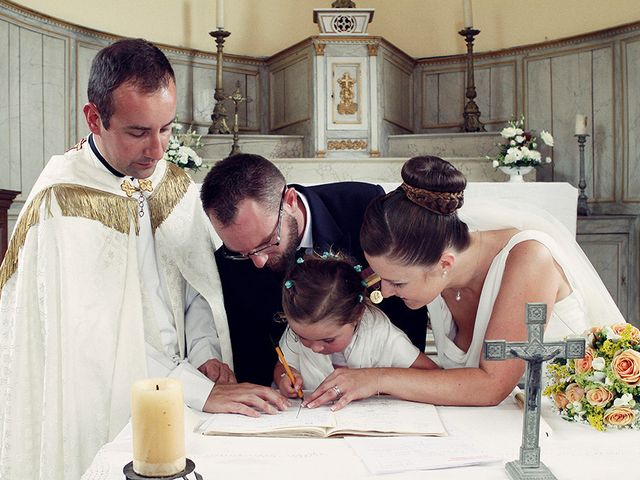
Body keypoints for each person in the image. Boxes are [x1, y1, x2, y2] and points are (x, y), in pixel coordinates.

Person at [0, 39, 287, 480]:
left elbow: (197, 284)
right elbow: (96, 347)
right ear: (95, 119)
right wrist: (195, 390)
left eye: (167, 128)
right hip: (113, 406)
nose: (157, 150)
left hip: (193, 385)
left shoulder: (166, 181)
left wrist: (207, 354)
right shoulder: (62, 205)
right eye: (138, 132)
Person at [303, 155, 625, 411]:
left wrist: (376, 379)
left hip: (569, 426)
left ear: (445, 263)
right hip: (498, 427)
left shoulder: (530, 259)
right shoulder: (435, 269)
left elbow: (492, 385)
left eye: (396, 282)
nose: (382, 292)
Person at [200, 154, 429, 387]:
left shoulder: (365, 208)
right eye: (242, 251)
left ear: (289, 200)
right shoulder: (230, 262)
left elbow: (409, 305)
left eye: (267, 242)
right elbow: (251, 349)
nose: (257, 262)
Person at [274, 253, 436, 396]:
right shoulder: (298, 329)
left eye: (328, 340)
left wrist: (382, 381)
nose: (315, 348)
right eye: (302, 337)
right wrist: (285, 377)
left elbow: (432, 374)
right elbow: (283, 365)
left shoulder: (382, 335)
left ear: (357, 316)